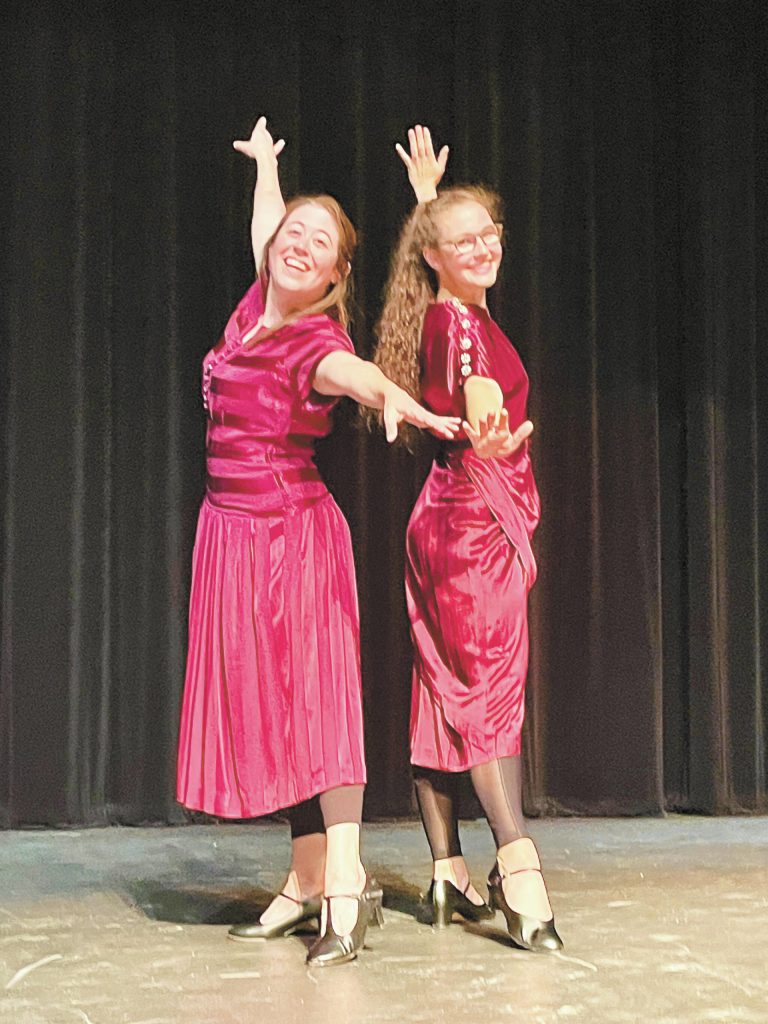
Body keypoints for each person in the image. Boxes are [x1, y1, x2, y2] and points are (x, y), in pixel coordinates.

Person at [176, 117, 460, 967]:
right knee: (270, 714)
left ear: (338, 276)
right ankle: (304, 881)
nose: (299, 246)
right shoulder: (251, 312)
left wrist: (392, 398)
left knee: (318, 706)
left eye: (321, 245)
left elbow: (354, 376)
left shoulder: (315, 338)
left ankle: (343, 880)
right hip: (230, 536)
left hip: (291, 538)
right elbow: (269, 229)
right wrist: (268, 170)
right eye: (295, 234)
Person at [372, 125, 562, 952]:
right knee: (489, 698)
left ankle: (448, 874)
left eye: (490, 233)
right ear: (435, 258)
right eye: (465, 240)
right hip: (472, 521)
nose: (485, 246)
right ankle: (518, 871)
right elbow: (476, 382)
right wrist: (487, 428)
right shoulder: (458, 328)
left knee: (446, 694)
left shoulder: (451, 309)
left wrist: (431, 208)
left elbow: (452, 308)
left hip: (451, 519)